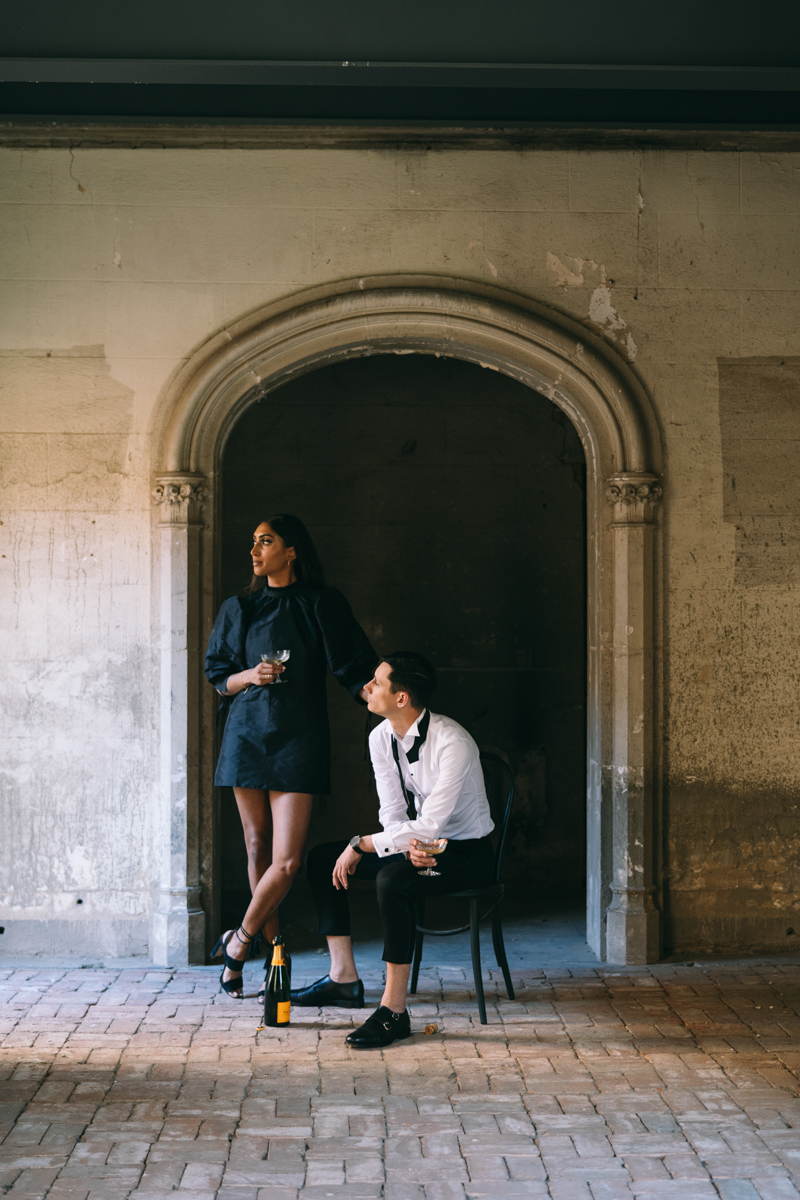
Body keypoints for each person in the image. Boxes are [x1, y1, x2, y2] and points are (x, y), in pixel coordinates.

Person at [204, 513, 378, 999]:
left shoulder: (322, 602)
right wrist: (249, 677)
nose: (255, 551)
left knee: (288, 860)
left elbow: (355, 666)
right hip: (246, 735)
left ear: (292, 550)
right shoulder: (239, 607)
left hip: (299, 738)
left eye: (266, 542)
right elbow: (218, 675)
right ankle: (273, 952)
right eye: (253, 543)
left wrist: (397, 701)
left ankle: (237, 943)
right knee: (257, 847)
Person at [291, 652, 495, 1048]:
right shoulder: (379, 736)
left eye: (377, 683)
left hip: (467, 855)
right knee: (321, 860)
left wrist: (362, 845)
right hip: (417, 843)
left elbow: (431, 825)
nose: (367, 687)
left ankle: (393, 1012)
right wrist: (405, 847)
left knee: (392, 880)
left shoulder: (453, 742)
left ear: (401, 698)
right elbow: (393, 812)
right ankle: (342, 978)